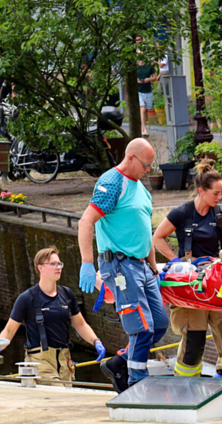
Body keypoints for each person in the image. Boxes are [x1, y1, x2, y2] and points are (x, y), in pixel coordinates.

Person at [77, 138, 169, 392]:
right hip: (120, 266)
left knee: (159, 323)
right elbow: (86, 222)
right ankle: (136, 382)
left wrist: (153, 266)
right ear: (131, 158)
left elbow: (144, 231)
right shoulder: (112, 182)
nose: (149, 169)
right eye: (146, 164)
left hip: (141, 266)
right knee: (141, 327)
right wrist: (87, 263)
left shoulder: (142, 190)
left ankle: (119, 362)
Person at [152, 159, 222, 379]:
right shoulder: (182, 213)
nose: (219, 198)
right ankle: (185, 384)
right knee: (194, 341)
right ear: (201, 191)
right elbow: (157, 238)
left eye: (221, 193)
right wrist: (177, 260)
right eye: (216, 193)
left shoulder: (221, 215)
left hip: (217, 282)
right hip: (191, 284)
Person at [0, 246, 106, 383]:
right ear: (40, 268)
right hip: (40, 361)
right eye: (53, 264)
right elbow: (9, 330)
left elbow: (80, 324)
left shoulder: (66, 294)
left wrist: (96, 341)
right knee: (56, 394)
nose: (58, 267)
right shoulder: (27, 298)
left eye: (59, 264)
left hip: (64, 359)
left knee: (66, 398)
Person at [136, 58, 159, 137]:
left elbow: (155, 77)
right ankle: (144, 129)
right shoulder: (135, 67)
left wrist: (148, 79)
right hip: (139, 91)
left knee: (146, 110)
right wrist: (137, 80)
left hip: (148, 90)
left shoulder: (149, 66)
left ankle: (143, 127)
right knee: (142, 109)